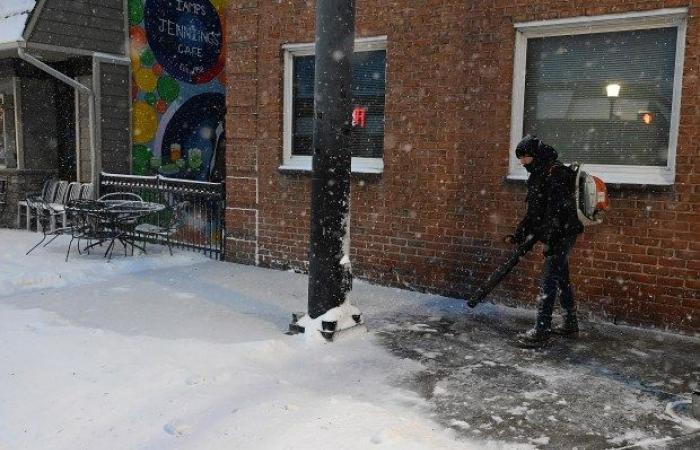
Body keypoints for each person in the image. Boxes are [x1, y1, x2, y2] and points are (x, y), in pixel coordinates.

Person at [507, 135, 584, 345]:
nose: (522, 162)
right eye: (520, 158)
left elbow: (557, 212)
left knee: (549, 279)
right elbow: (535, 210)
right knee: (561, 277)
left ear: (536, 155)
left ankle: (541, 331)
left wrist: (550, 234)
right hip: (556, 233)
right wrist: (521, 232)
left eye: (525, 157)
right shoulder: (538, 173)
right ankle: (570, 322)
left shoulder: (555, 173)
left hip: (562, 233)